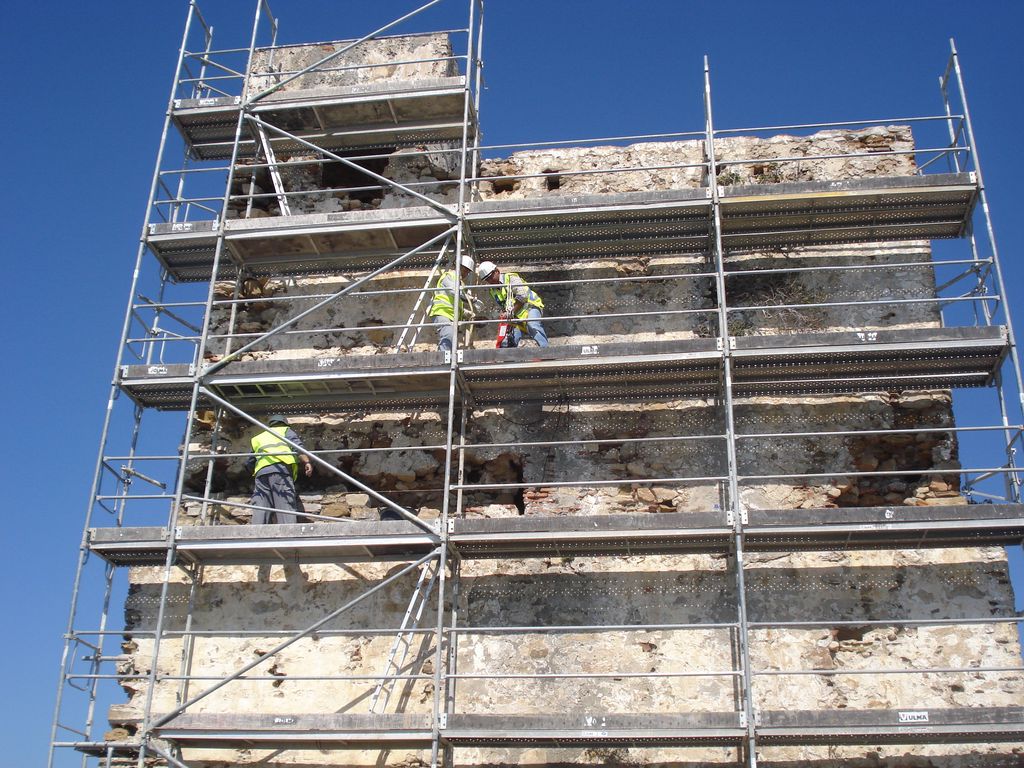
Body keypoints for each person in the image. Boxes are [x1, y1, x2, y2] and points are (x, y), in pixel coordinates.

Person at [247, 414, 313, 524]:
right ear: (284, 423)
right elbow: (297, 447)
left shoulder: (259, 437)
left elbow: (250, 461)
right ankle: (288, 533)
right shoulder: (286, 431)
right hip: (280, 471)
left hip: (261, 474)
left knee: (261, 506)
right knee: (284, 504)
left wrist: (255, 472)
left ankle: (256, 534)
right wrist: (307, 462)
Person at [475, 260, 549, 348]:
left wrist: (510, 313)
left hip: (530, 308)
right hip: (515, 317)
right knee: (508, 340)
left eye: (490, 277)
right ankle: (510, 359)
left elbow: (523, 296)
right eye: (487, 279)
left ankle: (546, 352)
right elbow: (503, 307)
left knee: (532, 325)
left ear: (497, 271)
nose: (490, 281)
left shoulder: (511, 278)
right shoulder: (493, 291)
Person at [428, 254, 480, 353]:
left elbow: (456, 303)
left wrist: (465, 313)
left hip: (450, 315)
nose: (466, 274)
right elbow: (455, 292)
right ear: (459, 266)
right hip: (442, 313)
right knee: (448, 335)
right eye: (465, 270)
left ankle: (447, 358)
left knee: (451, 340)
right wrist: (472, 299)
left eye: (468, 272)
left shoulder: (460, 283)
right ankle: (443, 360)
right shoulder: (449, 276)